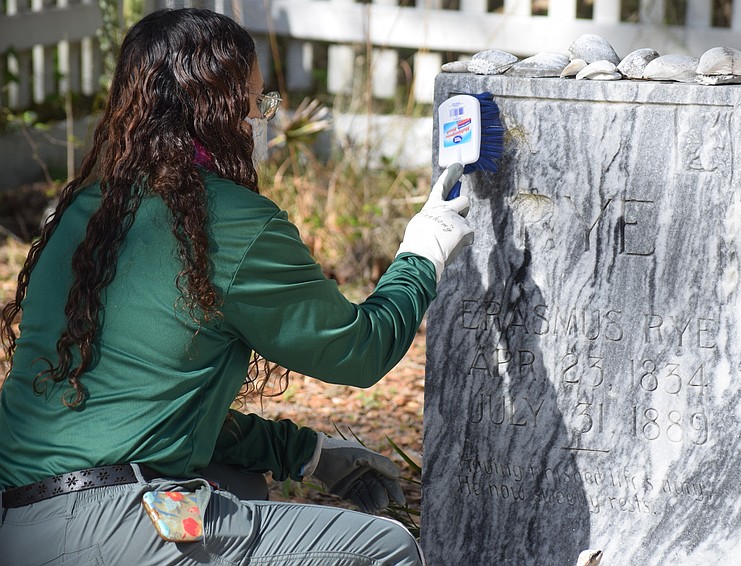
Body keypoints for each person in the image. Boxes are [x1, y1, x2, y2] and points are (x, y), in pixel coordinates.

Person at [0, 8, 472, 565]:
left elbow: (150, 413)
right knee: (383, 547)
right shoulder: (226, 220)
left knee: (237, 485)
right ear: (221, 111)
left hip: (19, 523)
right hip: (111, 526)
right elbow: (358, 351)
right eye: (257, 101)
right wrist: (422, 253)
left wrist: (308, 453)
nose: (264, 117)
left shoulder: (87, 212)